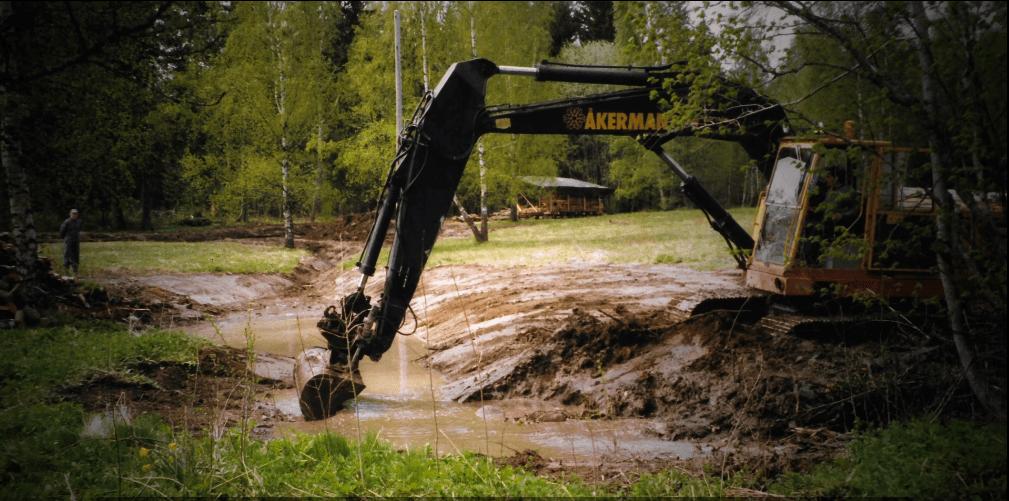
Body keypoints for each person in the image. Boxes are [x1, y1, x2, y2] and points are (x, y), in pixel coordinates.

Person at [59, 209, 82, 276]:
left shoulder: (79, 221)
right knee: (67, 255)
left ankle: (75, 271)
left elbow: (78, 230)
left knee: (76, 255)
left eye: (76, 214)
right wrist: (65, 238)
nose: (75, 215)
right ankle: (66, 271)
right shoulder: (66, 222)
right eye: (73, 214)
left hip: (76, 240)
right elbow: (62, 231)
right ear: (70, 214)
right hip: (68, 240)